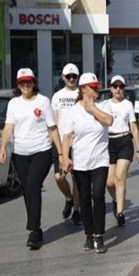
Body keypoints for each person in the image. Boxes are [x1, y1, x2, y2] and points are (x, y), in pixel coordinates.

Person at [0, 68, 63, 250]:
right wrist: (3, 148)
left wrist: (60, 154)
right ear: (17, 85)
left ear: (34, 82)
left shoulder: (43, 101)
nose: (25, 85)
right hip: (20, 153)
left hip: (41, 152)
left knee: (33, 186)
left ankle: (34, 231)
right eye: (22, 82)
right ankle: (37, 228)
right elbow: (8, 127)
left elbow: (52, 128)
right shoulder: (13, 104)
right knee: (27, 190)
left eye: (28, 82)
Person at [61, 73, 114, 253]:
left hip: (100, 160)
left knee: (98, 196)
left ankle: (99, 235)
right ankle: (89, 235)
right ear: (83, 89)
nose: (97, 89)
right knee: (84, 199)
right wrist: (65, 157)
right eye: (93, 86)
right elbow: (67, 136)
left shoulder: (102, 106)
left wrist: (93, 109)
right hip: (81, 162)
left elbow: (109, 121)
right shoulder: (73, 111)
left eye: (97, 86)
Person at [104, 75, 139, 227]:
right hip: (109, 142)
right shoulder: (104, 105)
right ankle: (115, 200)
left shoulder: (128, 105)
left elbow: (133, 126)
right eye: (115, 86)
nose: (118, 89)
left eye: (121, 86)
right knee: (109, 182)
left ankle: (120, 212)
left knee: (120, 178)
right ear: (111, 88)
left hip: (124, 141)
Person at [51, 63, 81, 225]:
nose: (71, 79)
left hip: (78, 143)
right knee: (59, 177)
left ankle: (77, 211)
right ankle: (69, 198)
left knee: (77, 179)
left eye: (74, 76)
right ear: (63, 77)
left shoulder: (81, 94)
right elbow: (54, 121)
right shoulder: (57, 96)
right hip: (62, 143)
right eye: (68, 76)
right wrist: (52, 141)